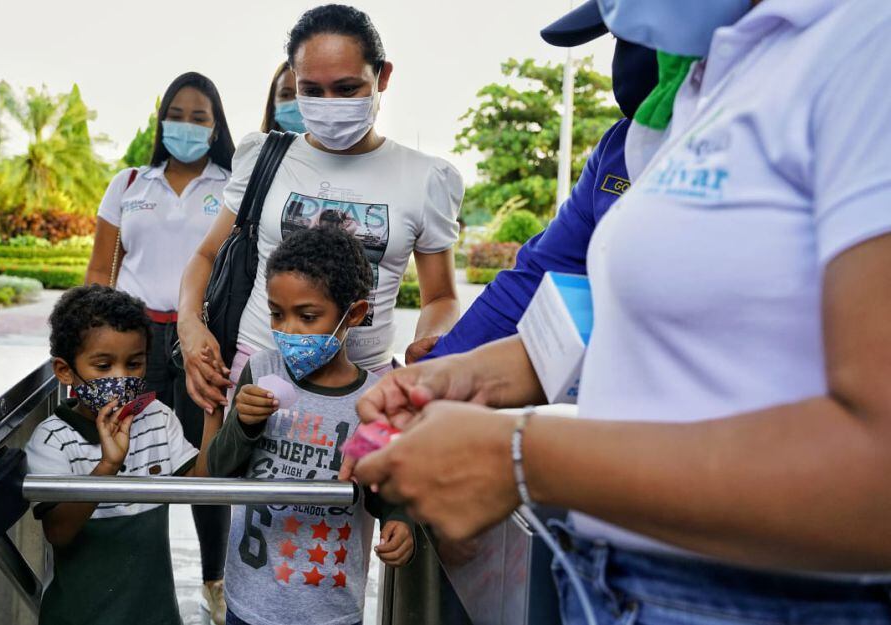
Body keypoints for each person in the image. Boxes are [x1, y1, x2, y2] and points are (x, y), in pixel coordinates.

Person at [349, 0, 891, 623]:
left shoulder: (864, 47)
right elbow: (649, 314)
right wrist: (477, 373)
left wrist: (521, 457)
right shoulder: (716, 83)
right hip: (613, 581)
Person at [178, 4, 465, 417]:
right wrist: (190, 325)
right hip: (255, 375)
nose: (329, 104)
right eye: (312, 90)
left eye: (347, 89)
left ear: (382, 76)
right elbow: (206, 254)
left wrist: (431, 340)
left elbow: (439, 296)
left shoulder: (426, 178)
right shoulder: (263, 157)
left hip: (364, 389)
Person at [424, 0, 658, 360]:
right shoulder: (619, 148)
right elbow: (535, 279)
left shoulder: (758, 142)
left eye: (642, 34)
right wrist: (432, 373)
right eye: (617, 37)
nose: (628, 59)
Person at [207, 227, 414, 625]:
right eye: (276, 313)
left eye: (307, 316)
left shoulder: (374, 399)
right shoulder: (261, 370)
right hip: (250, 602)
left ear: (352, 314)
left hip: (331, 609)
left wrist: (398, 519)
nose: (288, 330)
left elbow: (382, 490)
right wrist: (243, 425)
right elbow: (219, 471)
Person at [84, 71, 233, 623]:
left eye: (200, 116)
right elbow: (102, 268)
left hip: (201, 339)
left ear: (216, 126)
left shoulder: (232, 182)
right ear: (161, 119)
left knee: (205, 466)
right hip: (133, 342)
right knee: (132, 457)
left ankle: (214, 583)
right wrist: (90, 340)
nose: (187, 125)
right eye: (177, 113)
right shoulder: (129, 184)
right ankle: (134, 582)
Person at [24, 285, 222, 625]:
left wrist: (212, 407)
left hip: (155, 616)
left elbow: (201, 484)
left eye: (134, 363)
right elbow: (58, 533)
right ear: (65, 371)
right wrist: (108, 466)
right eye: (103, 366)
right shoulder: (53, 440)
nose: (122, 378)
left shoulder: (157, 418)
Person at [261, 61, 306, 133]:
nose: (297, 103)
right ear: (273, 101)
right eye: (286, 95)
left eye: (307, 92)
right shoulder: (256, 143)